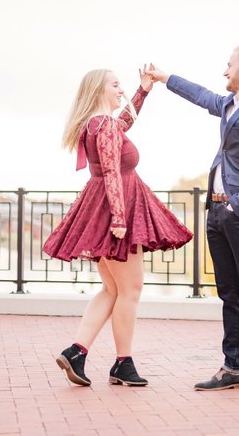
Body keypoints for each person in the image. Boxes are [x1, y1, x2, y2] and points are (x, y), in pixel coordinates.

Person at [146, 44, 239, 396]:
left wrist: (238, 205)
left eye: (228, 65)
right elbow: (200, 95)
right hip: (216, 213)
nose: (224, 70)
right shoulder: (229, 105)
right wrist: (164, 76)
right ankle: (233, 368)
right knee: (229, 293)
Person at [43, 67, 193, 388]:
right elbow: (112, 171)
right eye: (115, 85)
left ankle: (76, 351)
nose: (120, 89)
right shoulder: (104, 124)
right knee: (131, 290)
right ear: (99, 90)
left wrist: (143, 90)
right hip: (115, 211)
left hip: (102, 209)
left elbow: (126, 122)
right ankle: (122, 364)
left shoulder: (99, 124)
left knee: (112, 289)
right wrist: (120, 220)